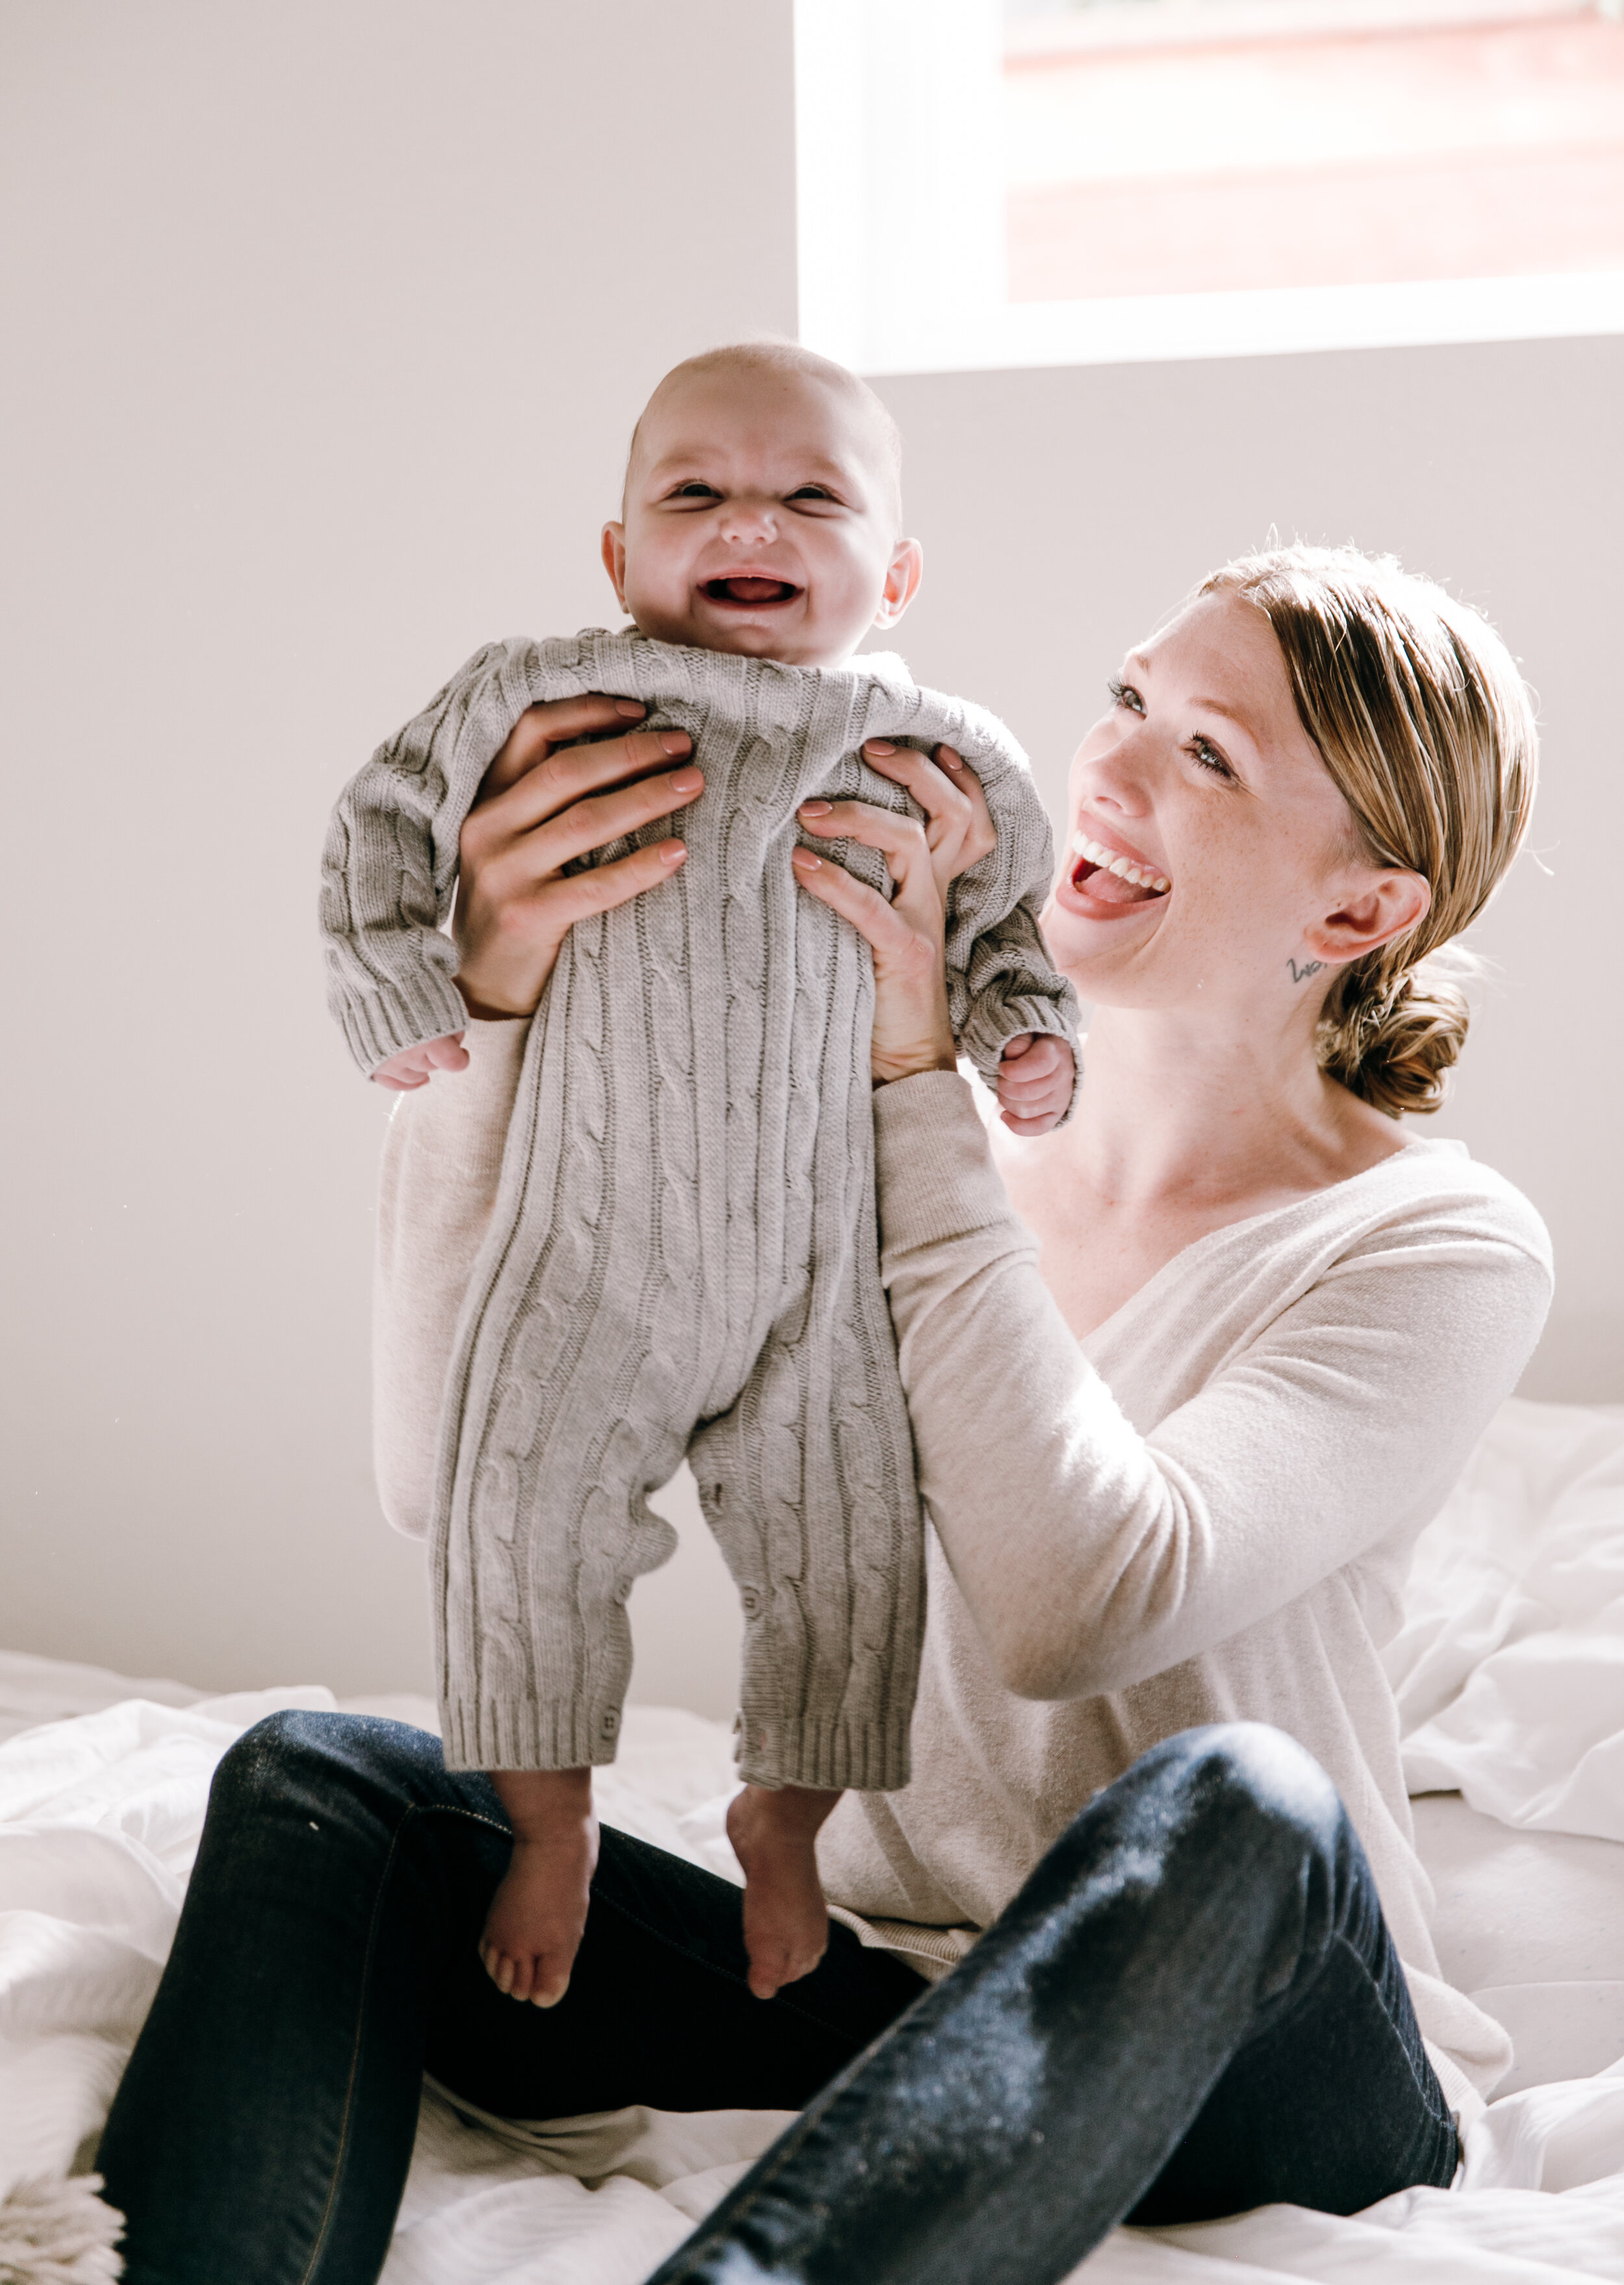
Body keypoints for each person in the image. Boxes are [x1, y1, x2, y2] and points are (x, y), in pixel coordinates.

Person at [98, 542, 1551, 2285]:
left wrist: (908, 1099)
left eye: (1209, 756)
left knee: (1240, 1799)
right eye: (1127, 702)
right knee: (329, 1783)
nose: (1105, 767)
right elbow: (450, 1473)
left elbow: (1080, 1601)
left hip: (1262, 2043)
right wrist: (482, 1013)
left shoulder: (1429, 1243)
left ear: (1356, 915)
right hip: (878, 1991)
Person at [322, 340, 1077, 2014]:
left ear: (894, 572)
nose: (754, 518)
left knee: (854, 1558)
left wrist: (1027, 1035)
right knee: (513, 1531)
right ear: (618, 554)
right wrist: (399, 980)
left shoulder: (937, 754)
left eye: (813, 494)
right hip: (582, 1239)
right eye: (696, 492)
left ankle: (785, 1817)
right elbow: (382, 818)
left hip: (818, 1261)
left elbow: (1002, 926)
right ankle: (549, 1821)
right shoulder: (540, 694)